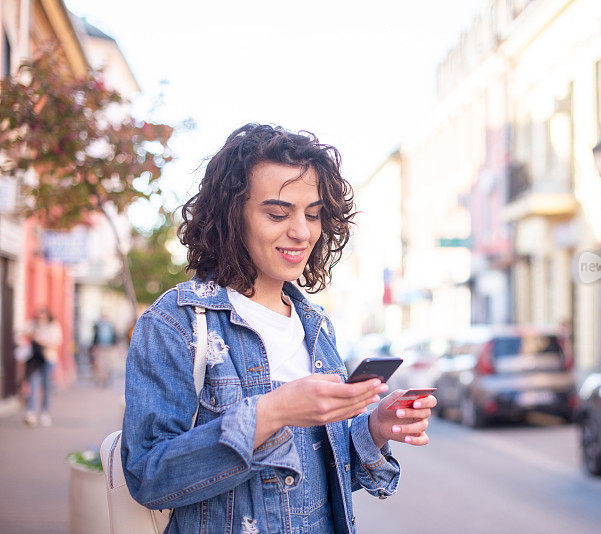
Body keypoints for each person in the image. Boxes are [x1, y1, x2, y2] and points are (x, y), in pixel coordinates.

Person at [122, 124, 436, 534]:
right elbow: (148, 476)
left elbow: (319, 481)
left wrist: (374, 428)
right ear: (231, 216)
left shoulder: (316, 325)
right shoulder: (174, 322)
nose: (302, 232)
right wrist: (272, 413)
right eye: (277, 213)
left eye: (313, 214)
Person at [23, 308, 62, 427]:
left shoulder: (54, 326)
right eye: (39, 317)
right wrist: (33, 334)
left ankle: (45, 413)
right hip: (35, 360)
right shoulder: (32, 324)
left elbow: (57, 342)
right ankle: (31, 413)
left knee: (46, 387)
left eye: (43, 316)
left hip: (48, 359)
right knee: (33, 385)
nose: (41, 319)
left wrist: (43, 341)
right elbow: (21, 331)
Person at [91, 313, 117, 387]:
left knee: (100, 363)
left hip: (100, 346)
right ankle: (106, 377)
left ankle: (101, 378)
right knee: (107, 362)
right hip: (109, 346)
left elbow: (95, 336)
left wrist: (94, 345)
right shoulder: (111, 325)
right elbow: (115, 336)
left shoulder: (98, 325)